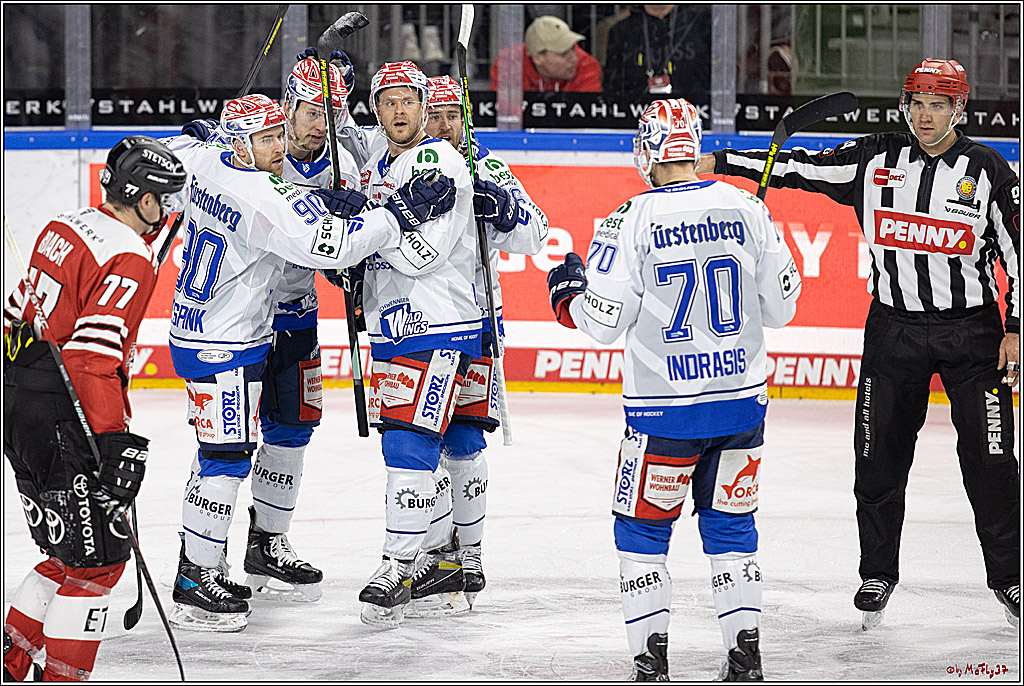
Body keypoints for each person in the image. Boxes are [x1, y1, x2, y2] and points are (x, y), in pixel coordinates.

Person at [696, 58, 1020, 629]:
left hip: (972, 334)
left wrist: (1016, 328)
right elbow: (798, 167)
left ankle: (1011, 578)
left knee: (991, 463)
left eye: (937, 105)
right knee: (876, 461)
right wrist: (722, 161)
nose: (924, 116)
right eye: (916, 103)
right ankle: (877, 572)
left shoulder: (990, 169)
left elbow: (1018, 255)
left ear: (959, 109)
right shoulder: (875, 159)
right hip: (892, 330)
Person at [164, 92, 459, 632]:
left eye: (280, 135)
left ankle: (252, 547)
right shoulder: (262, 192)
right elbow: (331, 249)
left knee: (262, 437)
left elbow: (155, 157)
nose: (279, 147)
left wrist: (192, 135)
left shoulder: (205, 160)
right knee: (225, 456)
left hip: (217, 328)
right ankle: (194, 575)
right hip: (227, 340)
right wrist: (399, 214)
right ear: (240, 142)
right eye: (267, 138)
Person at [547, 98, 801, 680]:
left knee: (640, 529)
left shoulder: (627, 219)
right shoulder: (746, 205)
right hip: (741, 404)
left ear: (647, 151)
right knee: (732, 528)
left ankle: (651, 661)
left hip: (664, 415)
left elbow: (604, 321)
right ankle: (745, 656)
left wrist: (567, 296)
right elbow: (783, 308)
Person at [3, 136, 186, 680]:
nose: (170, 211)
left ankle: (12, 663)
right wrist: (110, 443)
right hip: (65, 415)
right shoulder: (129, 255)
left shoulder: (66, 224)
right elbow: (88, 358)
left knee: (66, 554)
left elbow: (16, 311)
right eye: (166, 199)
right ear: (144, 198)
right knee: (99, 564)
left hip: (19, 400)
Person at [416, 74, 549, 612]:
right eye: (437, 115)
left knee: (465, 440)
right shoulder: (408, 167)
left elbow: (537, 233)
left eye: (454, 115)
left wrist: (507, 213)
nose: (445, 125)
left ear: (467, 116)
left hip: (477, 322)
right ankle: (432, 551)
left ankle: (466, 557)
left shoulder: (489, 167)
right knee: (419, 441)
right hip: (418, 323)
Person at [355, 61, 479, 628]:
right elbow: (386, 243)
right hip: (396, 324)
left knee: (410, 444)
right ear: (375, 110)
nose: (398, 111)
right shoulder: (383, 162)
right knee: (414, 444)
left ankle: (398, 565)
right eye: (388, 102)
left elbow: (420, 254)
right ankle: (444, 556)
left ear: (425, 106)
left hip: (436, 324)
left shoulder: (436, 159)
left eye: (408, 100)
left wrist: (368, 236)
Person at [603, 5, 712, 106]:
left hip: (696, 114)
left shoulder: (703, 23)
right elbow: (613, 91)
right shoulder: (621, 32)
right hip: (637, 117)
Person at [489, 15, 602, 93]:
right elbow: (505, 114)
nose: (574, 58)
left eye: (572, 48)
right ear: (537, 58)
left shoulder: (587, 66)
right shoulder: (509, 63)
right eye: (563, 54)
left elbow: (586, 120)